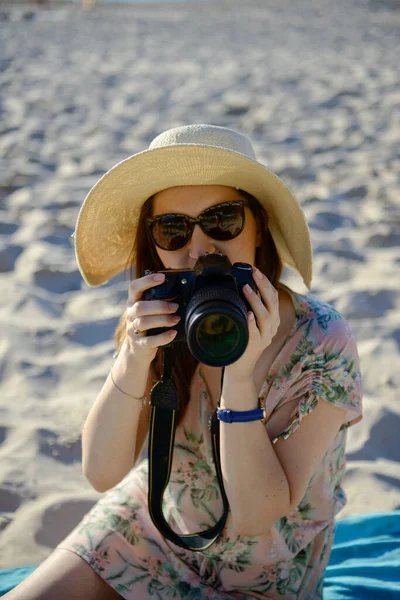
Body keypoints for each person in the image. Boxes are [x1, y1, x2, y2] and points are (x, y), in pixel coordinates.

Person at [6, 124, 363, 600]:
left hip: (261, 568)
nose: (200, 249)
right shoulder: (162, 317)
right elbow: (102, 472)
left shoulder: (320, 339)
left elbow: (259, 514)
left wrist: (238, 374)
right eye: (172, 229)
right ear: (154, 245)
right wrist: (135, 355)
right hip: (151, 523)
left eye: (222, 220)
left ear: (258, 229)